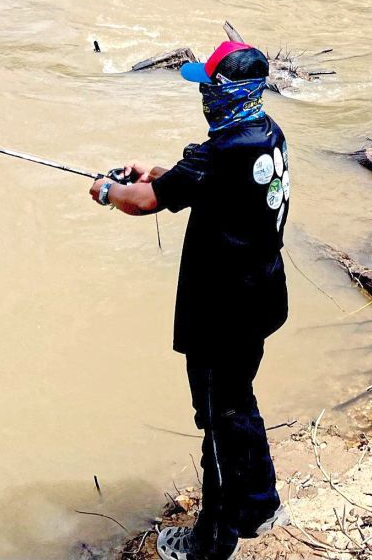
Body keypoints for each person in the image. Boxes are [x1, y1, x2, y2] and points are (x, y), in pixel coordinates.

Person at [88, 41, 290, 560]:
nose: (202, 94)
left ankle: (221, 535)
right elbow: (187, 183)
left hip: (223, 311)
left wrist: (110, 192)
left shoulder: (222, 151)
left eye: (208, 86)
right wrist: (151, 170)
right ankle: (251, 510)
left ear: (228, 93)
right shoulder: (264, 133)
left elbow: (145, 204)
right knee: (235, 402)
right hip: (259, 296)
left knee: (219, 419)